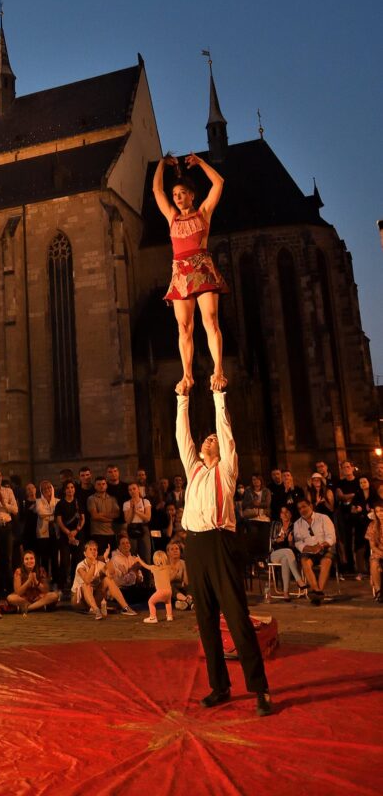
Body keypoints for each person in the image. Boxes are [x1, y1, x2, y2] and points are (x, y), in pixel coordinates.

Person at [176, 387, 272, 716]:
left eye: (213, 439)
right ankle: (220, 686)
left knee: (235, 616)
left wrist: (219, 397)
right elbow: (182, 436)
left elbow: (228, 436)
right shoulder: (194, 469)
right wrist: (182, 399)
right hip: (196, 544)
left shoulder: (226, 471)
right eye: (207, 439)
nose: (209, 440)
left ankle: (259, 689)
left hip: (220, 542)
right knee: (205, 620)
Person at [152, 152, 228, 392]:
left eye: (182, 193)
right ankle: (187, 376)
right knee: (184, 327)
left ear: (192, 195)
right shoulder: (172, 218)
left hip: (202, 270)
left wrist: (202, 163)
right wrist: (162, 165)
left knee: (210, 319)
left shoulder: (203, 213)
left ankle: (218, 370)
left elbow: (219, 183)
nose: (177, 197)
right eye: (175, 194)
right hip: (182, 275)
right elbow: (157, 191)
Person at [70, 540, 137, 620]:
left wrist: (106, 559)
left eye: (95, 550)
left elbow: (111, 574)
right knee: (86, 585)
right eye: (90, 549)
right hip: (79, 600)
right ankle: (96, 610)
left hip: (94, 598)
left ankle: (125, 608)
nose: (93, 552)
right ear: (85, 553)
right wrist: (93, 564)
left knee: (108, 579)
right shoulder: (81, 566)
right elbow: (87, 580)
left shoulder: (100, 564)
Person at [293, 498, 337, 603]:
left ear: (311, 506)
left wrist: (321, 546)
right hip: (309, 550)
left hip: (324, 548)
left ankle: (318, 592)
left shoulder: (323, 518)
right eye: (299, 508)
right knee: (305, 562)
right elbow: (298, 542)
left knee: (326, 561)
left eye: (304, 506)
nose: (302, 510)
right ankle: (317, 591)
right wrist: (310, 548)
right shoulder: (297, 524)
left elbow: (331, 537)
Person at [269, 506, 306, 599]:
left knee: (286, 558)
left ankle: (286, 593)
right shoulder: (275, 524)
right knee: (287, 552)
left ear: (291, 515)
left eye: (287, 512)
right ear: (280, 515)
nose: (284, 514)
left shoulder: (294, 526)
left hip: (289, 556)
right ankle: (299, 580)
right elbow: (270, 541)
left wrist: (290, 542)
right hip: (275, 554)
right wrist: (277, 540)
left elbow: (295, 547)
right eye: (282, 512)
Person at [55, 480, 85, 595]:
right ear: (64, 490)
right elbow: (59, 521)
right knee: (64, 561)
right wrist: (68, 533)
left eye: (72, 487)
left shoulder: (78, 502)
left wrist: (76, 531)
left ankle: (75, 585)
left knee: (77, 561)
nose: (70, 490)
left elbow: (83, 518)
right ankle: (61, 586)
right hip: (65, 536)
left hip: (78, 535)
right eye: (68, 488)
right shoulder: (60, 504)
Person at [34, 480, 58, 582]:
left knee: (55, 558)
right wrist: (53, 515)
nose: (47, 490)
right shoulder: (38, 501)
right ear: (41, 491)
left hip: (55, 533)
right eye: (44, 489)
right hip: (43, 533)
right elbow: (41, 513)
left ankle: (56, 581)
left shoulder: (58, 501)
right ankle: (44, 581)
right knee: (44, 558)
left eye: (49, 487)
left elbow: (59, 516)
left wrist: (49, 515)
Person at [141, 550, 174, 624]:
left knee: (151, 602)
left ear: (155, 560)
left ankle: (153, 617)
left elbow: (145, 566)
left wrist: (139, 560)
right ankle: (169, 616)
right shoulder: (168, 567)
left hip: (161, 591)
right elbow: (174, 569)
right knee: (168, 602)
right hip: (169, 591)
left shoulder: (154, 567)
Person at [123, 482, 152, 564]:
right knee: (133, 554)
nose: (132, 491)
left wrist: (137, 511)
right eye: (130, 490)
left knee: (146, 554)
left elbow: (147, 518)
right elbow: (128, 520)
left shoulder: (145, 502)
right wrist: (132, 508)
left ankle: (147, 576)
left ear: (138, 490)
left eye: (134, 489)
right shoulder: (126, 504)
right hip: (132, 528)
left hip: (143, 528)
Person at [87, 477, 119, 549]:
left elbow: (116, 514)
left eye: (103, 484)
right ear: (95, 486)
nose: (101, 486)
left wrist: (102, 514)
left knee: (112, 557)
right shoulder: (91, 499)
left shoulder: (112, 499)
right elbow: (95, 516)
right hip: (97, 532)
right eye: (98, 484)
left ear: (106, 485)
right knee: (100, 557)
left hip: (111, 532)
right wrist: (110, 519)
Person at [364, 504, 383, 603]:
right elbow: (372, 546)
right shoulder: (372, 525)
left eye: (381, 511)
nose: (380, 513)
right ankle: (379, 591)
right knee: (374, 562)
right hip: (378, 552)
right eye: (377, 511)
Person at [167, 541, 192, 610]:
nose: (175, 551)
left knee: (190, 585)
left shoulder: (183, 563)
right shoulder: (165, 564)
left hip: (180, 587)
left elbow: (186, 582)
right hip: (170, 591)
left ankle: (185, 602)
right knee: (171, 586)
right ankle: (188, 601)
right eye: (172, 549)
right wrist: (175, 572)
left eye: (177, 549)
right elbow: (166, 582)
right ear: (168, 553)